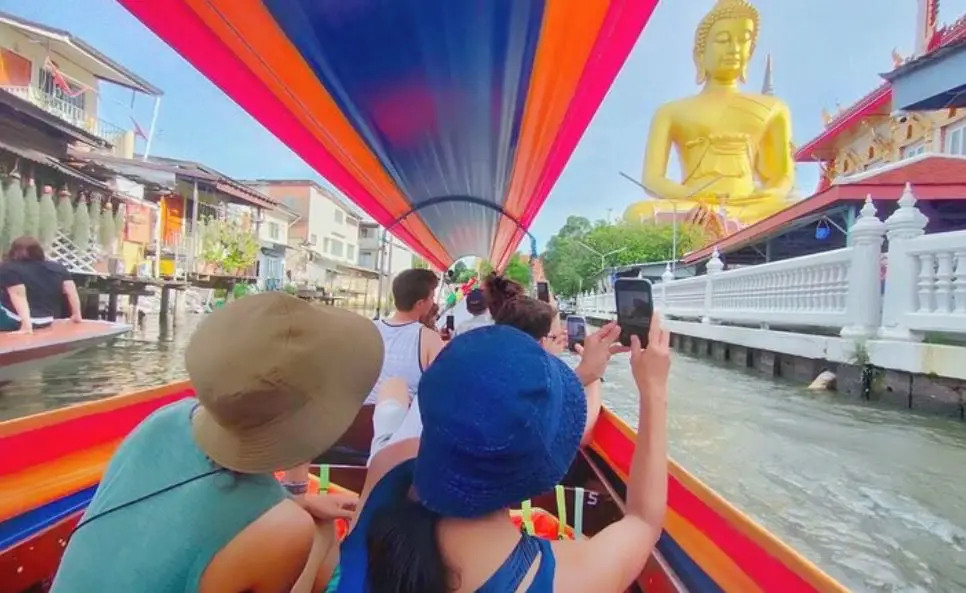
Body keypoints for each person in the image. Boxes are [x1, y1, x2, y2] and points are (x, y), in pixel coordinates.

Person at [51, 293, 383, 593]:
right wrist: (296, 503)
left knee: (319, 532)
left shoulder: (164, 421)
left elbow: (184, 520)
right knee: (321, 535)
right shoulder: (286, 530)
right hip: (278, 536)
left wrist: (297, 501)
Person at [338, 316, 670, 593]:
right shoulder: (561, 578)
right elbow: (643, 519)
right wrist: (653, 390)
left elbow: (479, 413)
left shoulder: (389, 468)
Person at [367, 269, 445, 462]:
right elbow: (442, 390)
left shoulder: (368, 329)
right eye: (431, 297)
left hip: (359, 427)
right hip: (402, 438)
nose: (433, 303)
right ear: (420, 304)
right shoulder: (429, 338)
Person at [0, 236, 82, 333]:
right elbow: (71, 291)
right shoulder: (58, 268)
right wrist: (77, 315)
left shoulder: (9, 268)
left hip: (15, 320)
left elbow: (18, 295)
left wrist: (26, 326)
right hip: (46, 320)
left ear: (13, 251)